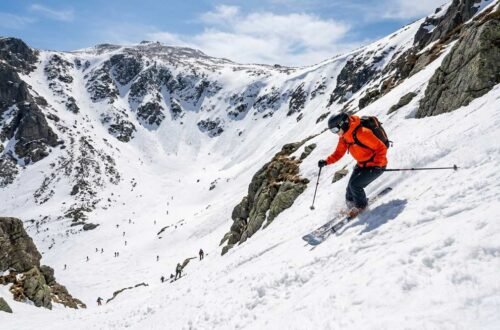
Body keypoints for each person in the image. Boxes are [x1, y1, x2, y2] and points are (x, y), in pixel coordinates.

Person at [318, 113, 387, 218]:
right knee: (349, 192)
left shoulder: (362, 133)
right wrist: (326, 161)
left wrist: (378, 164)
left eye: (335, 130)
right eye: (332, 131)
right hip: (361, 164)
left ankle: (361, 207)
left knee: (355, 185)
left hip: (376, 165)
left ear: (343, 124)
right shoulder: (344, 137)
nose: (335, 133)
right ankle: (350, 207)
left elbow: (381, 148)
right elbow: (338, 153)